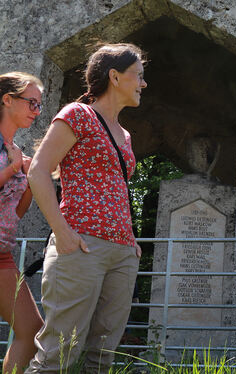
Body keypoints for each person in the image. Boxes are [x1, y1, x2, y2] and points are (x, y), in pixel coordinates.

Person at [26, 43, 146, 373]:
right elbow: (38, 170)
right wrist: (62, 233)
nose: (143, 83)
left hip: (122, 253)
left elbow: (117, 190)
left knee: (102, 356)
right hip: (80, 245)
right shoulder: (78, 115)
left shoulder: (125, 134)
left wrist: (131, 242)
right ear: (115, 76)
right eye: (138, 75)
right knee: (58, 353)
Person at [0, 72, 44, 374]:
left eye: (39, 105)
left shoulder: (15, 151)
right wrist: (12, 169)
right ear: (7, 99)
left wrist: (27, 179)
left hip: (2, 254)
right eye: (31, 102)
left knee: (31, 332)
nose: (36, 111)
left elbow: (14, 213)